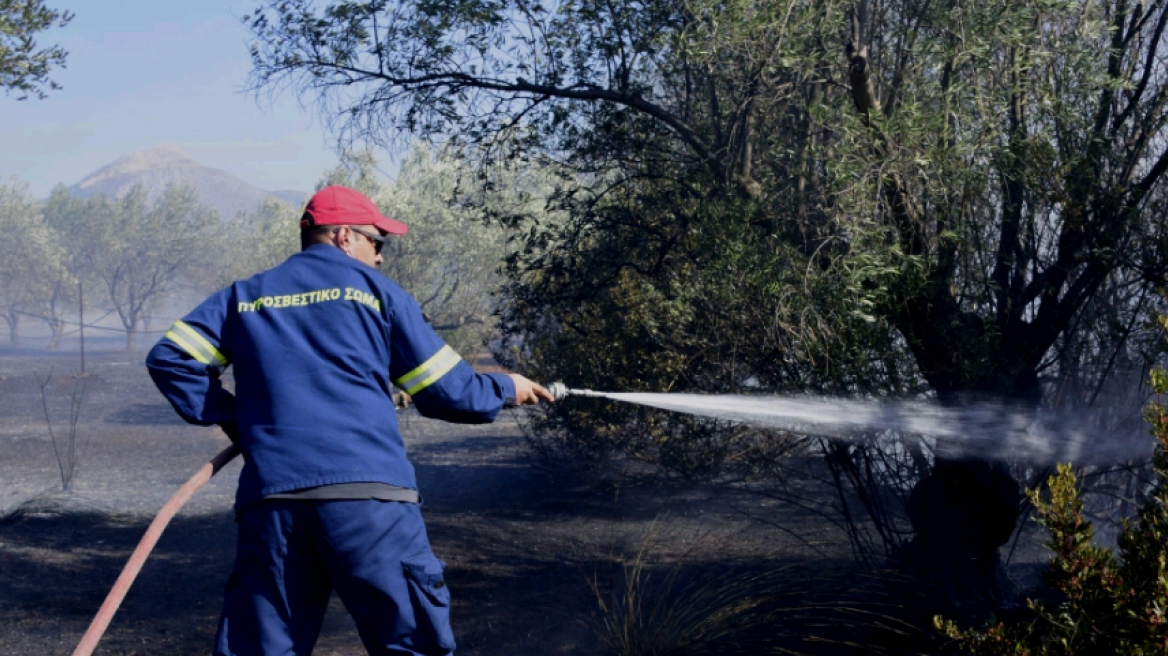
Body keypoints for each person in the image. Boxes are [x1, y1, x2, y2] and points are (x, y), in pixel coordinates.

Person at [146, 184, 554, 656]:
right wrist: (508, 387)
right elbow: (451, 393)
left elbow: (171, 358)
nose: (379, 257)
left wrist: (240, 420)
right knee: (411, 644)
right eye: (376, 242)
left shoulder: (246, 297)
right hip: (369, 503)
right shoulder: (377, 294)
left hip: (274, 505)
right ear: (344, 236)